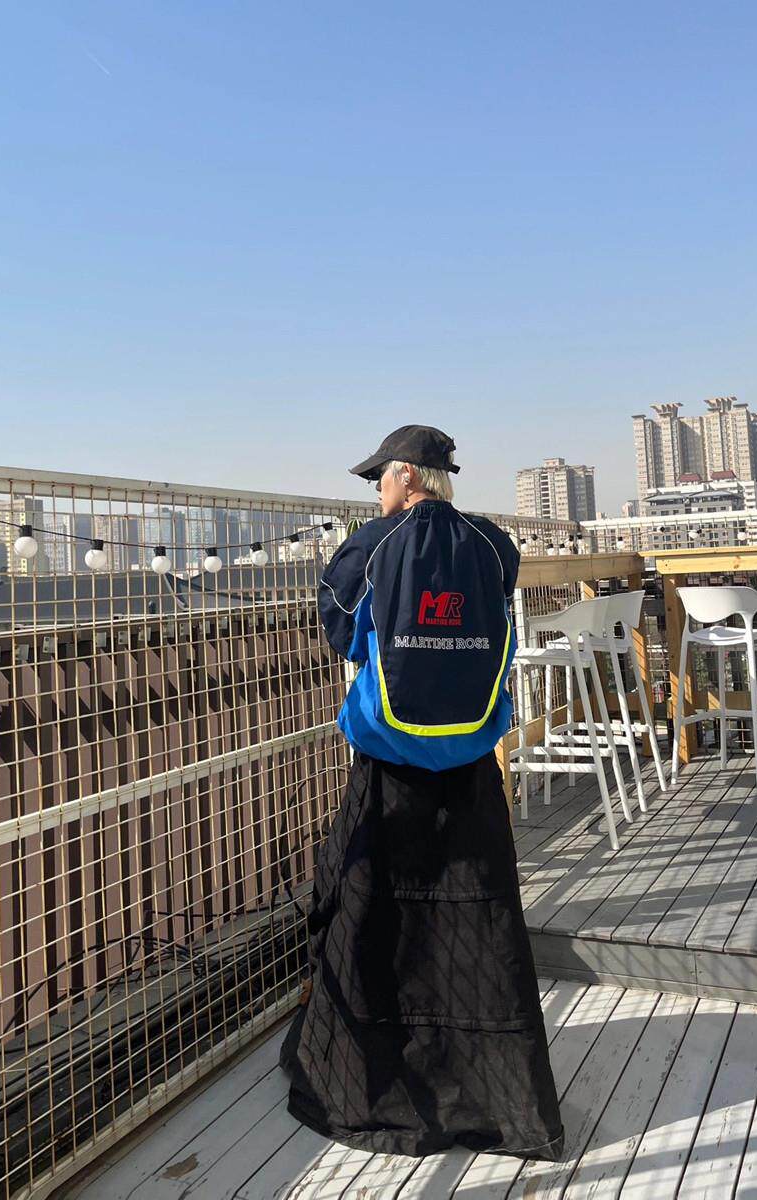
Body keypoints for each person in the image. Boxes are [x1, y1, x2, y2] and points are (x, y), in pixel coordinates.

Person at [277, 424, 565, 1162]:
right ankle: (497, 1093)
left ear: (406, 476)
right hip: (471, 759)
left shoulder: (371, 545)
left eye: (380, 477)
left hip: (391, 764)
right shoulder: (494, 544)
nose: (377, 490)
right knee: (478, 915)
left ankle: (373, 1079)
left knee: (372, 907)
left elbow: (341, 632)